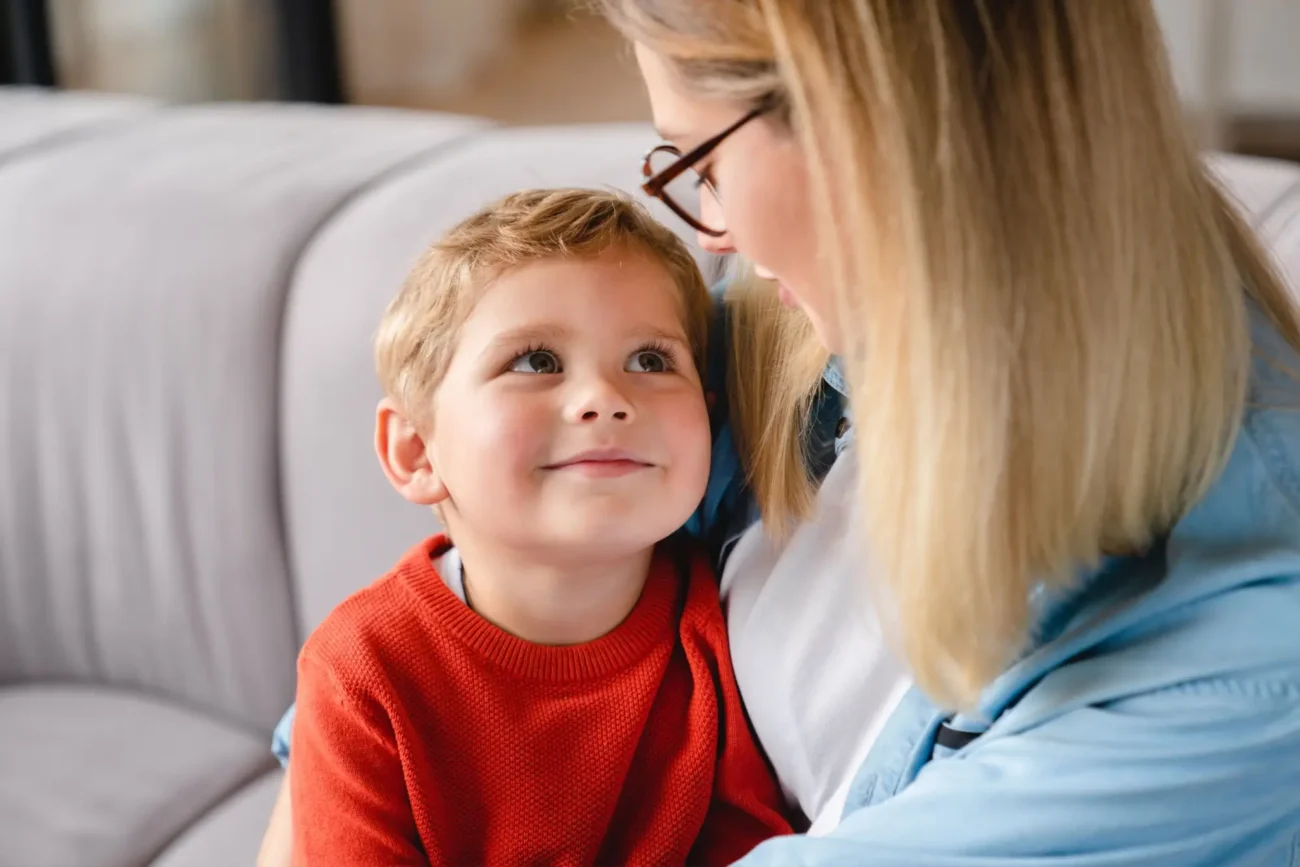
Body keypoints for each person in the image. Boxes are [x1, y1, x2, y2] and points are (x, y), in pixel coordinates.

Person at [263, 2, 1300, 864]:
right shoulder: (794, 330)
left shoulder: (1235, 684)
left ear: (864, 126)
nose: (714, 237)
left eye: (700, 162)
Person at [287, 188, 792, 866]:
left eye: (650, 360)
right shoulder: (362, 674)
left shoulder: (726, 626)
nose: (606, 400)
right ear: (415, 449)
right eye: (536, 362)